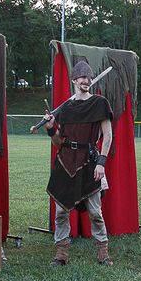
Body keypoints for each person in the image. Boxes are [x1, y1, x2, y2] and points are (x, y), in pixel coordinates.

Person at [44, 60, 114, 267]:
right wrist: (50, 128)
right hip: (65, 161)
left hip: (89, 161)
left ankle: (103, 253)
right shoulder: (65, 108)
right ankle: (61, 254)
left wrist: (101, 163)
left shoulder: (99, 103)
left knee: (95, 212)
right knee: (61, 212)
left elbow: (108, 136)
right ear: (74, 80)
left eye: (88, 77)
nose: (86, 80)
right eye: (82, 77)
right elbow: (59, 142)